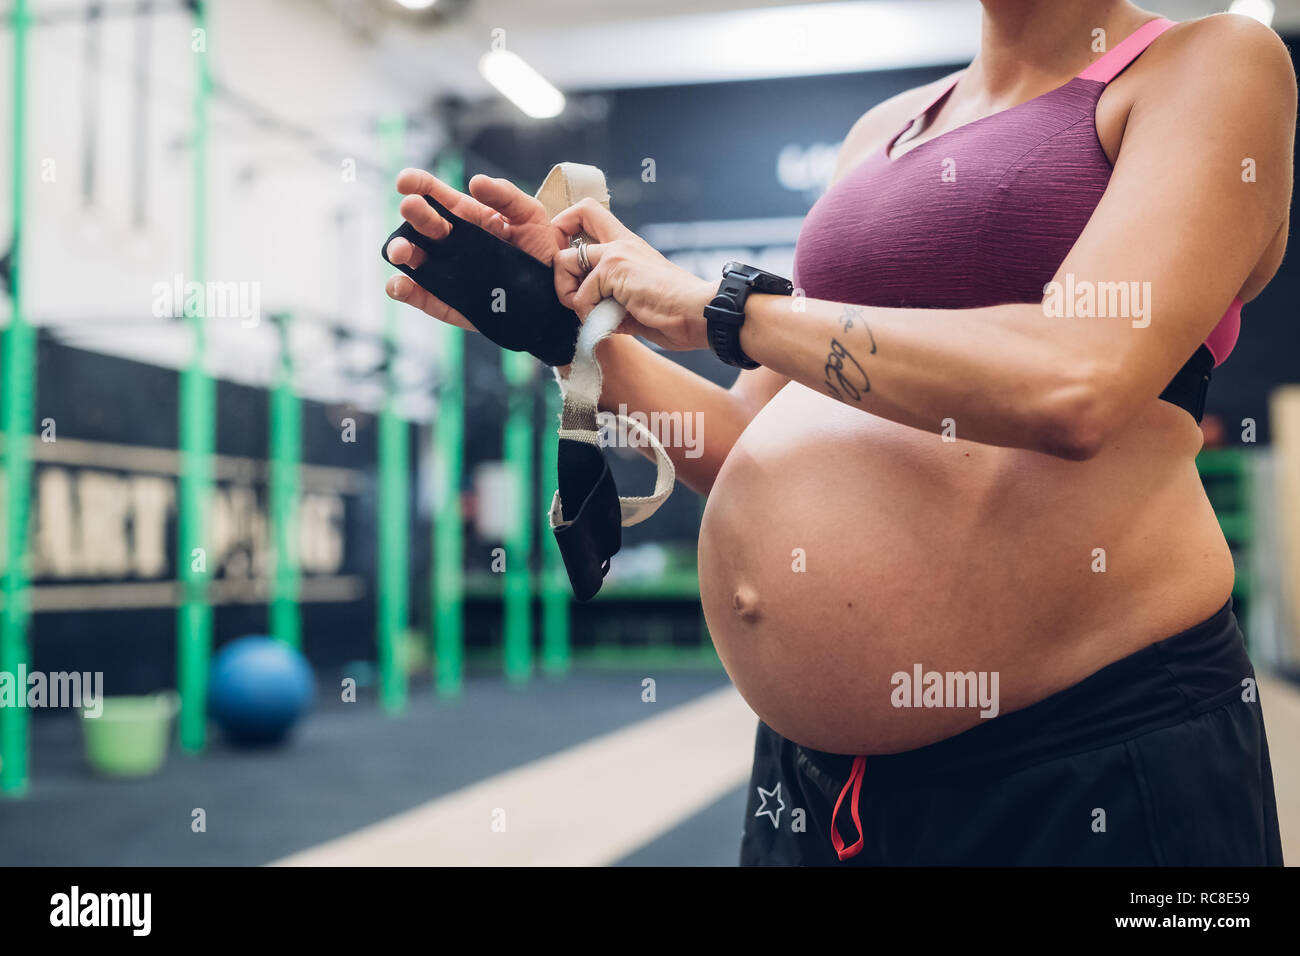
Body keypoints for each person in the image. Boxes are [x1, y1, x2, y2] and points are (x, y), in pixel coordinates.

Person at [385, 2, 1292, 865]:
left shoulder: (1207, 63)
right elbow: (744, 434)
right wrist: (572, 332)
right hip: (813, 782)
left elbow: (1078, 380)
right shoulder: (884, 133)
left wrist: (720, 307)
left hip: (1089, 749)